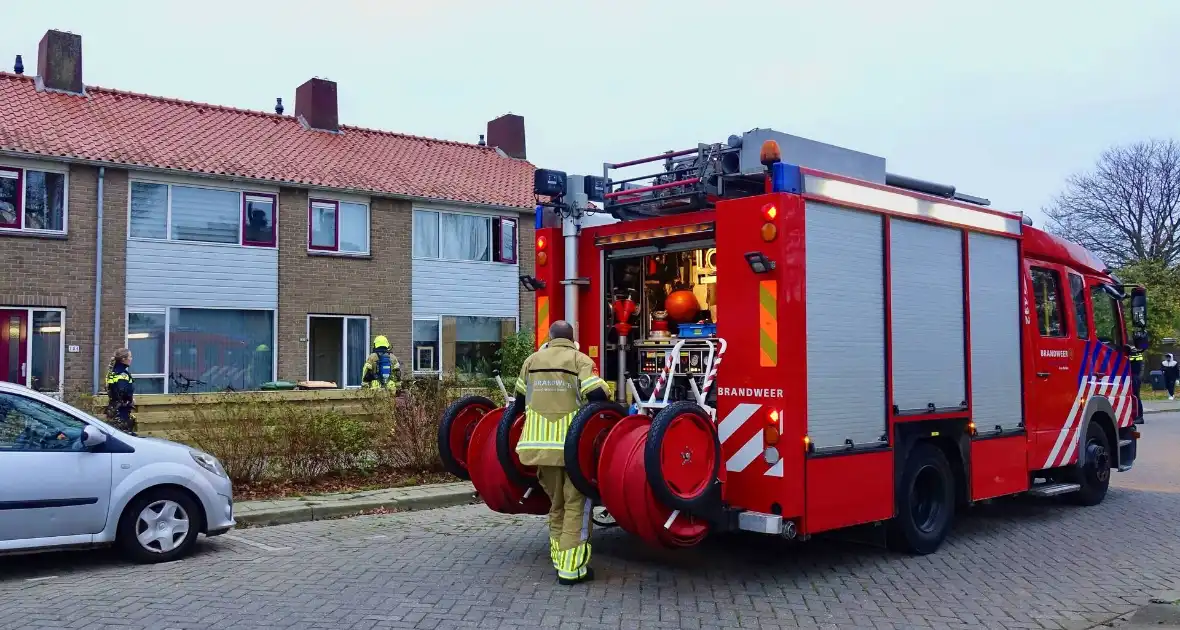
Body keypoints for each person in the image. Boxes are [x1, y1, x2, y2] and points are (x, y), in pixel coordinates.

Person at [513, 320, 610, 585]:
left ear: (549, 337)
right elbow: (597, 395)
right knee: (577, 507)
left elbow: (518, 401)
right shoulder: (580, 360)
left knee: (557, 505)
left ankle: (560, 558)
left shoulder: (531, 361)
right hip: (572, 451)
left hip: (539, 448)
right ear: (572, 339)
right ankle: (571, 569)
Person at [104, 348, 136, 433]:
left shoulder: (112, 372)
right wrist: (131, 400)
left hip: (112, 409)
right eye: (130, 356)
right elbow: (124, 392)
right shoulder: (123, 374)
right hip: (121, 411)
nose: (131, 359)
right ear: (123, 359)